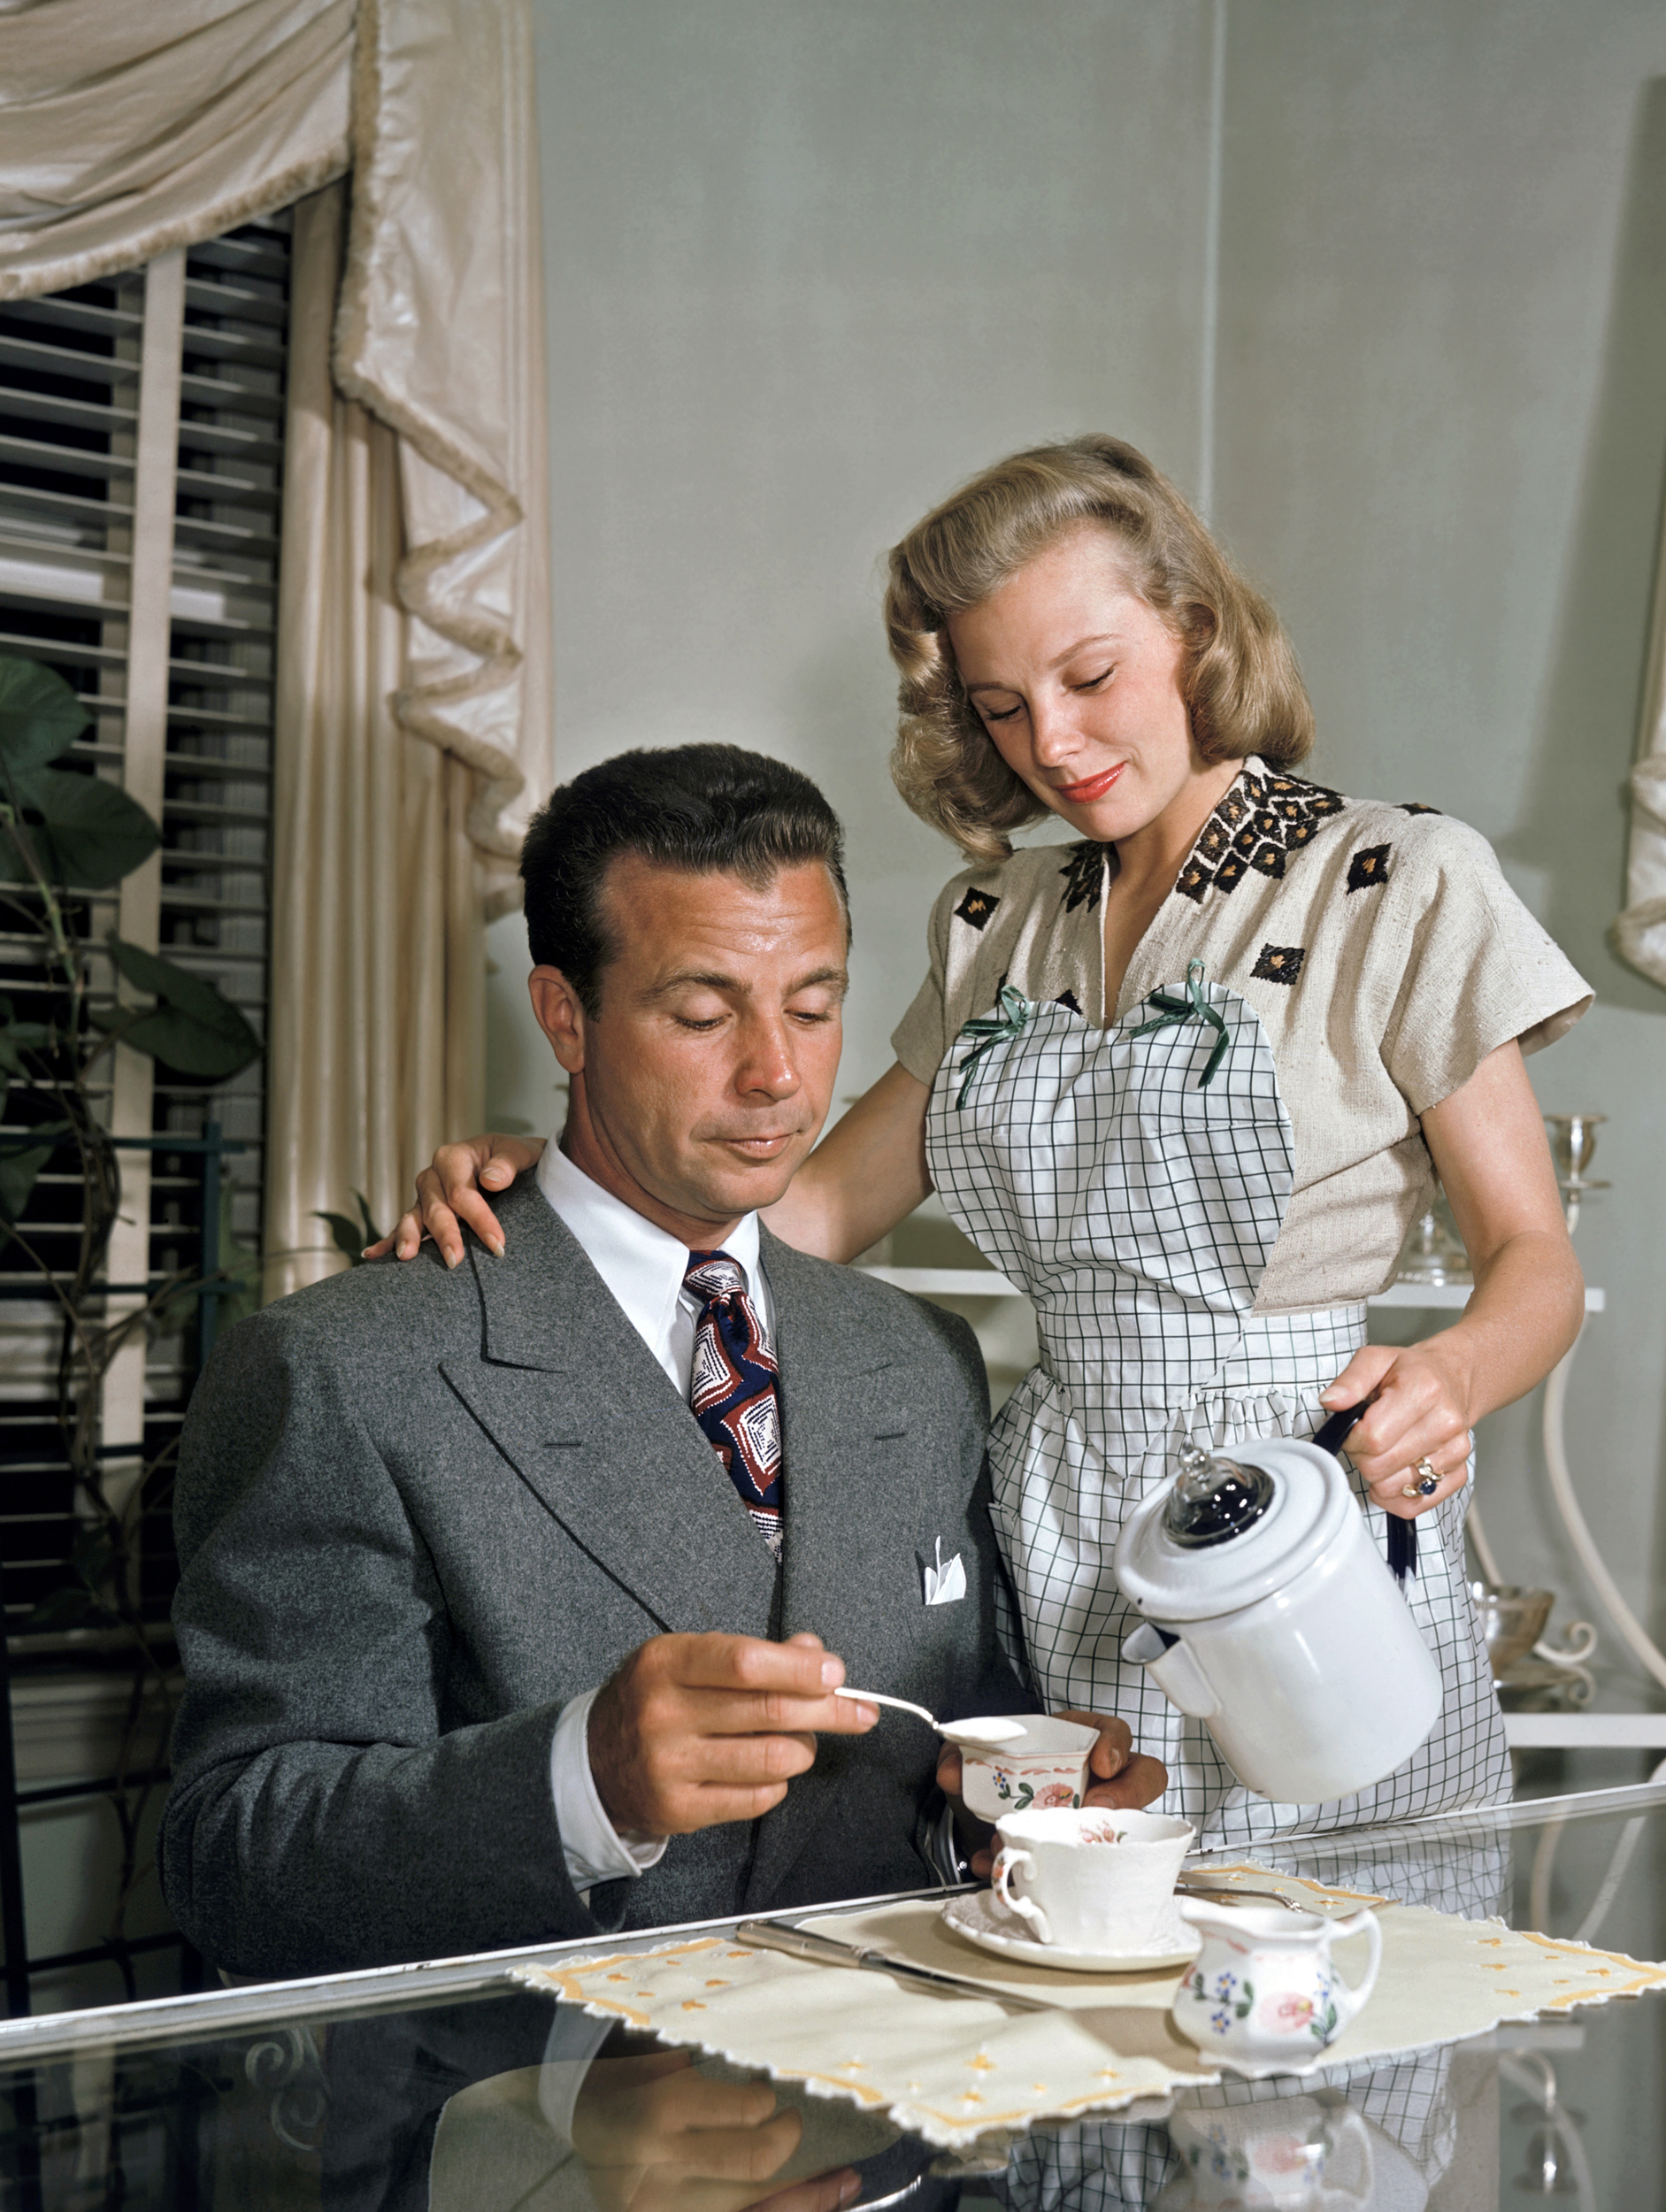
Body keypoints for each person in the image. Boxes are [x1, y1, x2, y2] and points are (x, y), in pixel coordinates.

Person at [380, 434, 1593, 1853]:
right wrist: (565, 1176)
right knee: (1068, 1944)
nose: (1053, 746)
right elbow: (805, 1215)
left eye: (1090, 679)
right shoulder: (995, 922)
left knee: (1327, 1959)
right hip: (1056, 1528)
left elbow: (1536, 1261)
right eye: (1002, 707)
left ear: (1194, 631)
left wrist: (1448, 1376)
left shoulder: (1394, 880)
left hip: (1295, 1524)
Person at [163, 743, 1161, 1981]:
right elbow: (232, 1861)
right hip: (542, 2084)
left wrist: (1009, 1807)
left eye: (813, 1006)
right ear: (565, 1017)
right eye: (702, 1014)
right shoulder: (343, 1369)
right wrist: (581, 1782)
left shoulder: (918, 1358)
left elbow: (938, 1768)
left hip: (885, 2076)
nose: (777, 1074)